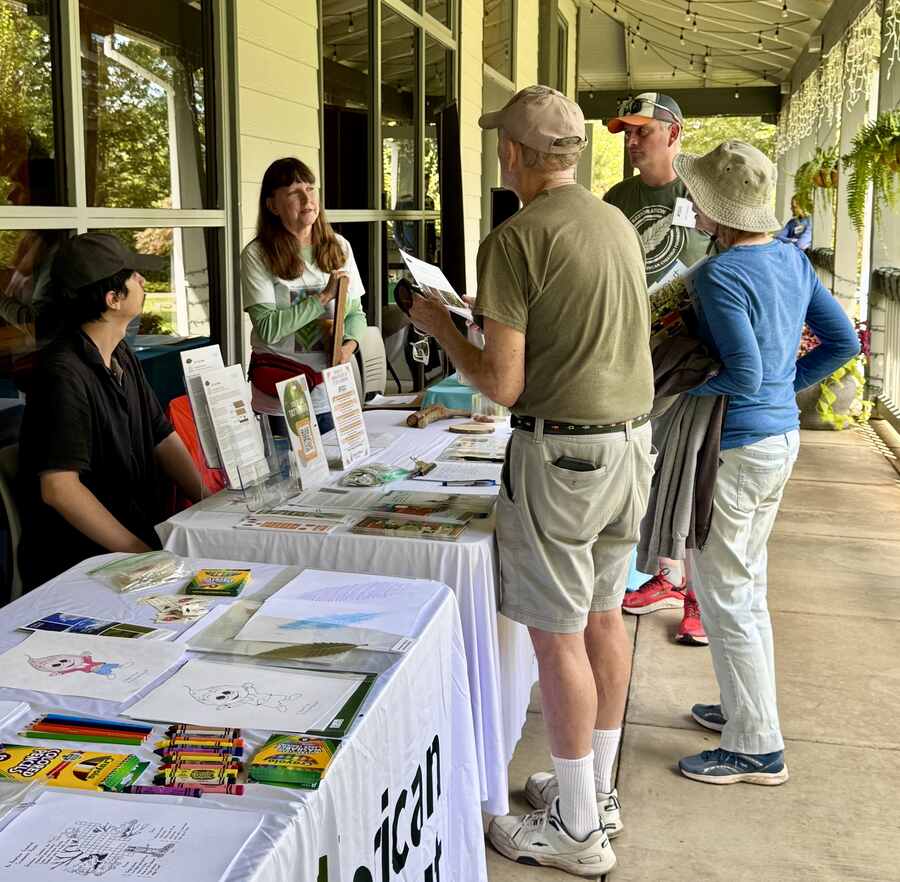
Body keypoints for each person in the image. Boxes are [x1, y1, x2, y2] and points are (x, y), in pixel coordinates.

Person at [410, 85, 654, 877]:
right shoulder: (611, 219)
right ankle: (595, 790)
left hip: (562, 459)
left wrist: (443, 325)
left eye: (501, 146)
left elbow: (502, 385)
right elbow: (576, 321)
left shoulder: (516, 236)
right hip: (628, 446)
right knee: (604, 617)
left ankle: (580, 830)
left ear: (514, 154)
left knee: (558, 636)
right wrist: (495, 313)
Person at [671, 142, 859, 784]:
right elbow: (842, 342)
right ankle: (744, 711)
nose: (691, 203)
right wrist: (787, 388)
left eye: (697, 196)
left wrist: (673, 393)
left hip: (737, 447)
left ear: (716, 209)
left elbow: (744, 371)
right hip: (778, 442)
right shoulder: (790, 261)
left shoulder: (720, 275)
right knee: (744, 587)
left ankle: (755, 747)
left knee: (725, 594)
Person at [17, 233, 203, 590]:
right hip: (83, 565)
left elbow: (161, 436)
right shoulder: (62, 375)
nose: (143, 282)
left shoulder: (120, 354)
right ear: (113, 299)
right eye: (133, 276)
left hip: (135, 547)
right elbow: (59, 489)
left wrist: (207, 501)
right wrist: (141, 553)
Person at [604, 92, 711, 645]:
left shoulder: (702, 192)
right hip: (632, 352)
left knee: (689, 472)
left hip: (691, 356)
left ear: (674, 133)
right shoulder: (616, 198)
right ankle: (662, 573)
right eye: (628, 131)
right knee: (644, 465)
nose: (632, 140)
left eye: (643, 130)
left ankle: (696, 596)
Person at [241, 157, 367, 435]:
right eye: (293, 192)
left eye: (310, 189)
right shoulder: (257, 255)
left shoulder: (340, 247)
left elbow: (356, 313)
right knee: (291, 475)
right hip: (284, 394)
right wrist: (323, 297)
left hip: (332, 390)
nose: (306, 198)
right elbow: (268, 329)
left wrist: (348, 348)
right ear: (272, 205)